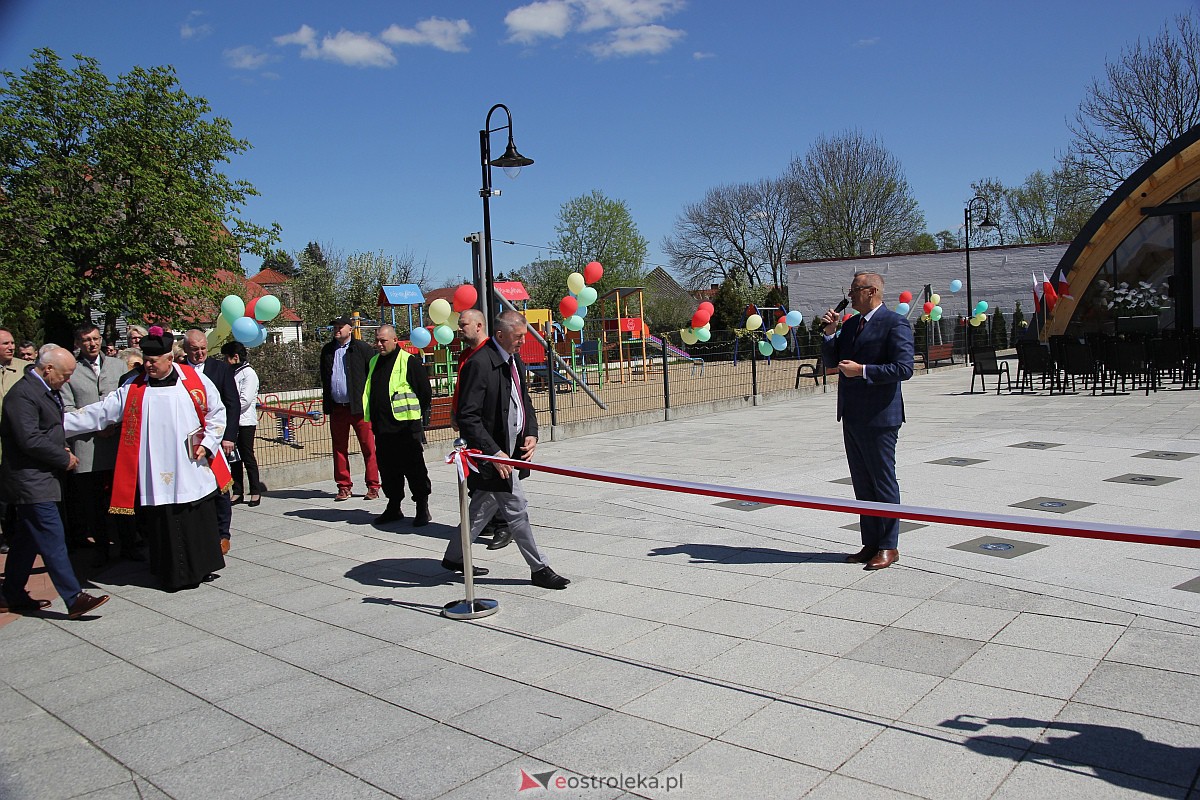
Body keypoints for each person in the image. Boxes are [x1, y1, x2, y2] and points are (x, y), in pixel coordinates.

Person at [64, 332, 227, 592]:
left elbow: (217, 413)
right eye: (146, 360)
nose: (148, 365)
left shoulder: (195, 381)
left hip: (191, 463)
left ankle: (202, 567)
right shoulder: (133, 389)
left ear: (169, 358)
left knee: (195, 516)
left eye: (154, 360)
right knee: (164, 522)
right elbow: (99, 413)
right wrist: (56, 424)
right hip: (156, 468)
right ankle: (171, 574)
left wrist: (208, 443)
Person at [442, 311, 570, 589]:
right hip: (495, 457)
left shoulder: (513, 358)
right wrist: (494, 452)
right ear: (501, 335)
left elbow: (524, 400)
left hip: (510, 452)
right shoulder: (479, 363)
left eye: (524, 335)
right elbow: (468, 416)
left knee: (480, 508)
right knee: (517, 509)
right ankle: (540, 568)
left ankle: (454, 556)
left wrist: (532, 432)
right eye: (519, 336)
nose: (524, 341)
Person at [1, 346, 110, 618]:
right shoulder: (22, 394)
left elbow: (50, 428)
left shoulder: (43, 390)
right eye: (65, 374)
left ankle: (10, 593)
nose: (68, 380)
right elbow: (29, 439)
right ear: (48, 368)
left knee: (28, 540)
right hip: (30, 480)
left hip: (41, 476)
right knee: (52, 537)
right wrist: (63, 458)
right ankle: (74, 598)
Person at [820, 271, 914, 571]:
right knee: (862, 483)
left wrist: (862, 370)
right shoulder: (850, 326)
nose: (850, 295)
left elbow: (904, 368)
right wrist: (830, 333)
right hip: (852, 414)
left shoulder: (894, 322)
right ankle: (870, 543)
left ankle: (889, 546)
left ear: (871, 291)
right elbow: (832, 361)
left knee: (882, 481)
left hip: (880, 415)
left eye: (854, 290)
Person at [60, 323, 128, 562]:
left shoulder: (117, 365)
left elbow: (128, 403)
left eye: (96, 338)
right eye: (86, 340)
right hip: (87, 449)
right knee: (93, 504)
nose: (92, 343)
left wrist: (114, 425)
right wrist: (96, 426)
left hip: (117, 445)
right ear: (78, 343)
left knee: (121, 499)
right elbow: (67, 409)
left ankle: (128, 546)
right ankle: (102, 550)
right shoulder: (71, 371)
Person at [454, 308, 511, 551]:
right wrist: (454, 412)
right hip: (470, 427)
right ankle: (485, 522)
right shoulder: (466, 355)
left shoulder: (491, 353)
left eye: (463, 324)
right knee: (475, 477)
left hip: (488, 428)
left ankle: (503, 525)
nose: (459, 328)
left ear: (479, 326)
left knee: (495, 480)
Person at [364, 325, 432, 526]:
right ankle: (394, 506)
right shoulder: (374, 362)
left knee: (414, 469)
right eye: (377, 340)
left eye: (383, 341)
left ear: (395, 340)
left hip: (406, 429)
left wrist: (417, 419)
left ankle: (422, 507)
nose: (379, 344)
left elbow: (424, 393)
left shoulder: (409, 361)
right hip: (383, 429)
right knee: (388, 470)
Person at [182, 328, 239, 554]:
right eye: (194, 350)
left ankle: (223, 534)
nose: (200, 353)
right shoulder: (179, 371)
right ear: (186, 349)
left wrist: (228, 437)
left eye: (203, 348)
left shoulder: (221, 369)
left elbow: (232, 403)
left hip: (216, 438)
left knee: (221, 487)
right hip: (190, 442)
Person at [320, 315, 381, 502]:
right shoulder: (328, 351)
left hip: (359, 408)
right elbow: (325, 377)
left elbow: (374, 374)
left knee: (368, 447)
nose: (337, 330)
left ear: (350, 328)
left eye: (340, 326)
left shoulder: (361, 349)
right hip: (337, 407)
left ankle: (373, 485)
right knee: (339, 448)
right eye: (335, 327)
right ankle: (344, 486)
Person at [0, 327, 33, 555]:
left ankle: (18, 535)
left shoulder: (24, 369)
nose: (11, 347)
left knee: (17, 495)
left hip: (19, 443)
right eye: (5, 344)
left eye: (12, 343)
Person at [221, 341, 264, 507]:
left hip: (245, 421)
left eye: (227, 357)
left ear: (235, 357)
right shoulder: (231, 372)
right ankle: (237, 491)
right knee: (234, 458)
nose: (225, 361)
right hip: (231, 421)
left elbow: (244, 400)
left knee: (247, 456)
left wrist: (228, 408)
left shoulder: (248, 374)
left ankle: (255, 491)